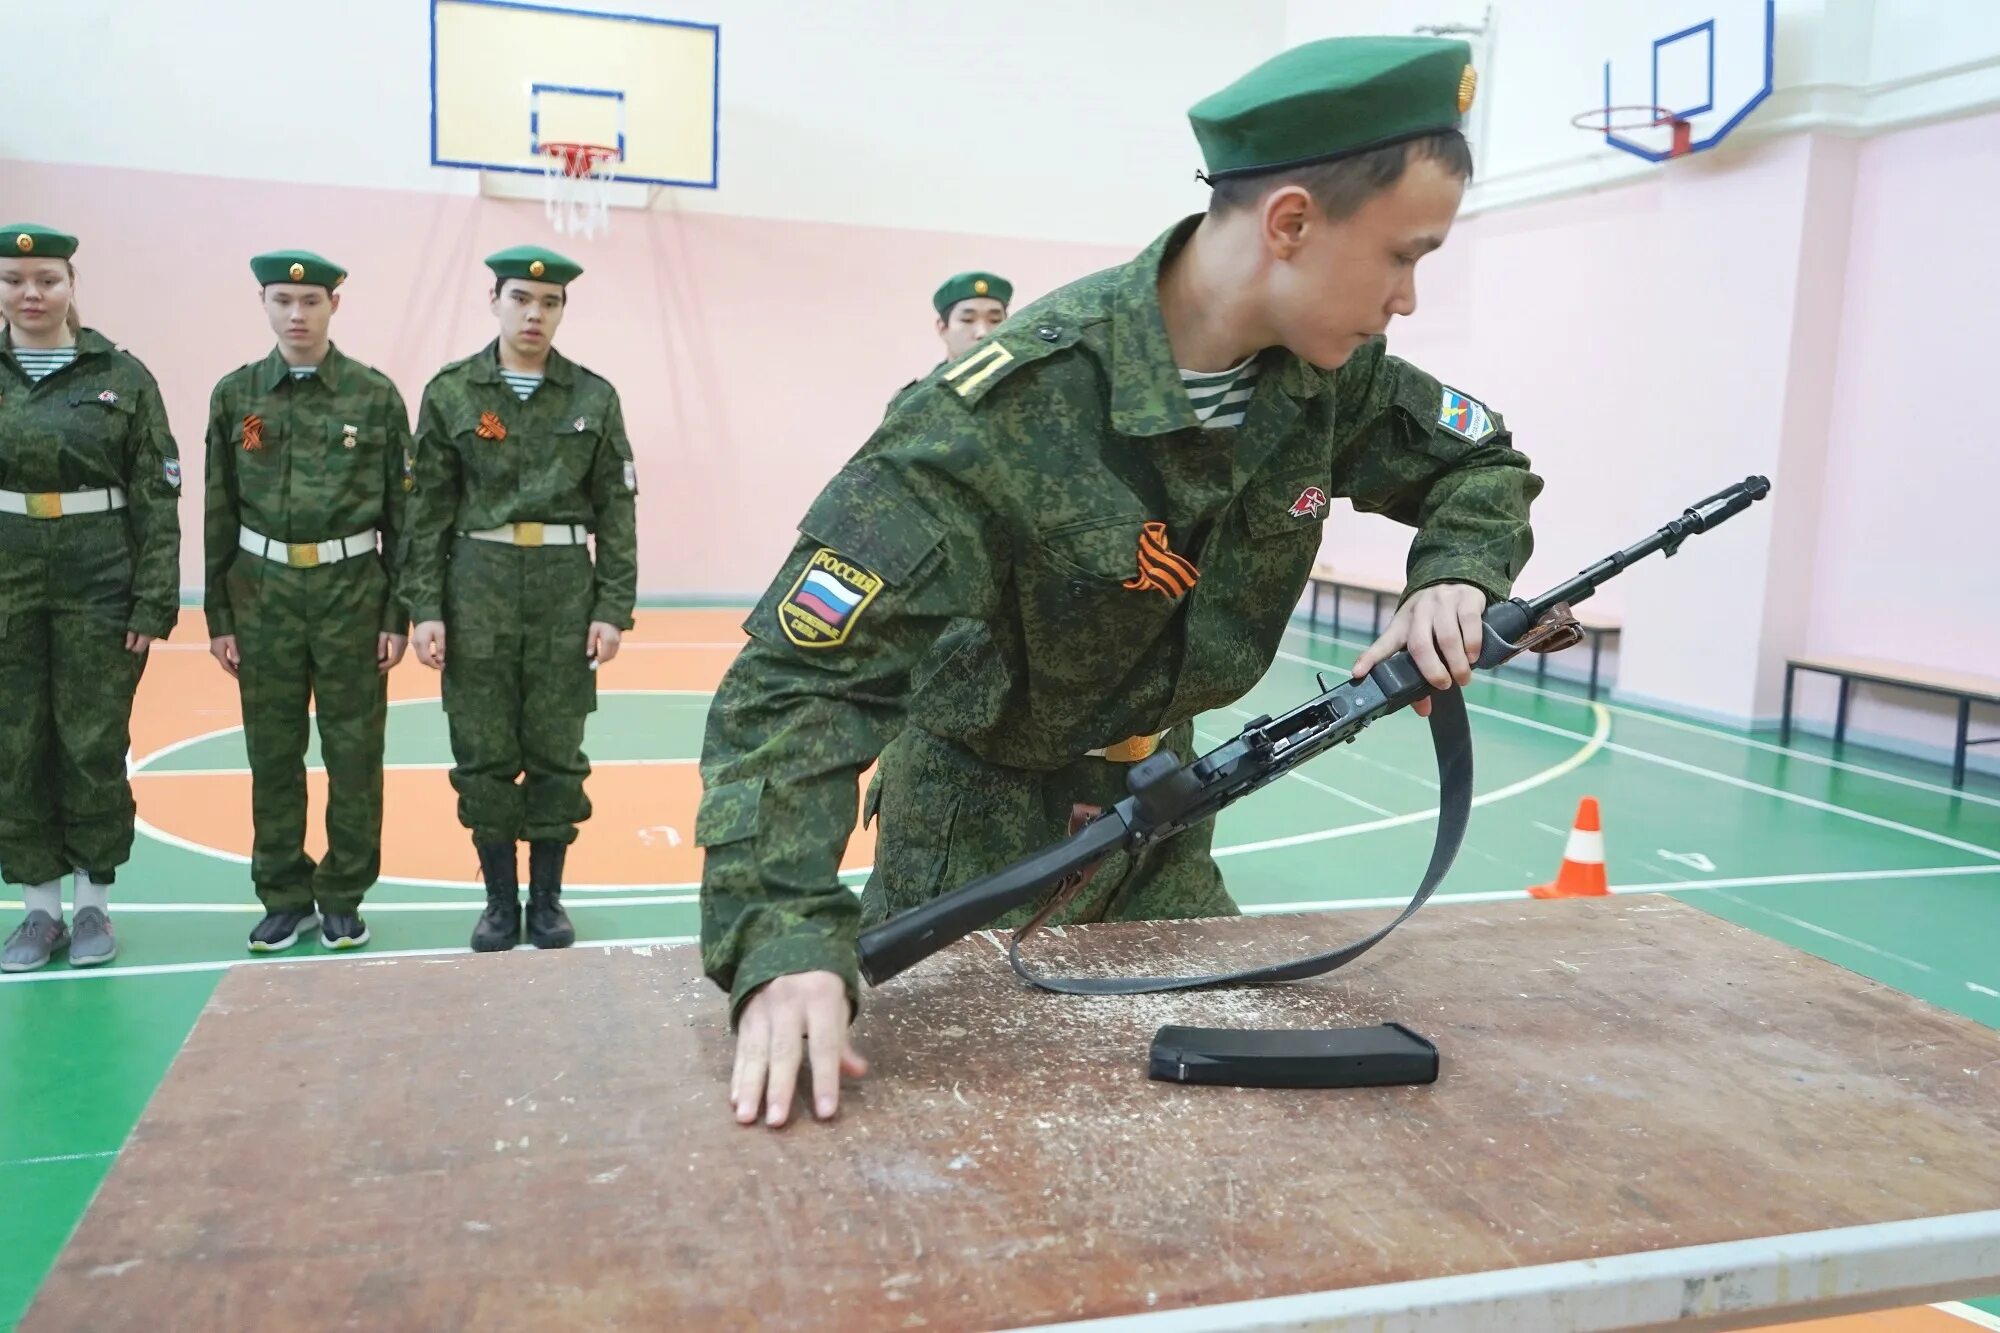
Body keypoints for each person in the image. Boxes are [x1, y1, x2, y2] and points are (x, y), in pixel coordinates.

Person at [696, 37, 1543, 1126]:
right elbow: (799, 686)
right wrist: (783, 939)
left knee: (1228, 1128)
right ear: (1289, 224)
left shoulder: (1327, 380)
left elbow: (1481, 462)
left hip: (1170, 819)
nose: (1408, 298)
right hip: (979, 842)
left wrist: (1453, 578)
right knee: (950, 1148)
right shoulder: (998, 410)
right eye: (1400, 256)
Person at [402, 246, 639, 954]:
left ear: (562, 309)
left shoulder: (594, 397)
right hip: (478, 581)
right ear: (494, 301)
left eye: (550, 302)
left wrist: (612, 606)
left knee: (557, 749)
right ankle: (499, 902)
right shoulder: (451, 394)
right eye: (521, 299)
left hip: (567, 585)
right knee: (482, 748)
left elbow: (618, 511)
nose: (534, 314)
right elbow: (427, 513)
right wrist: (425, 607)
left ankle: (548, 900)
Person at [203, 250, 413, 953]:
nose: (297, 315)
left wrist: (396, 613)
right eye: (283, 301)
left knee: (354, 752)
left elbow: (402, 516)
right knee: (273, 751)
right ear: (263, 303)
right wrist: (218, 615)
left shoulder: (374, 396)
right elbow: (218, 508)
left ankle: (344, 893)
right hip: (260, 595)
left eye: (312, 301)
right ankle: (284, 893)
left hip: (352, 593)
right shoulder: (236, 397)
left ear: (333, 306)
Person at [0, 225, 182, 972]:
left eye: (46, 278)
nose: (30, 294)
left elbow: (156, 493)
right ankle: (37, 911)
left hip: (99, 581)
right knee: (15, 745)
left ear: (72, 284)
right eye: (14, 281)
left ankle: (95, 901)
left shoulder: (122, 376)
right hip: (8, 580)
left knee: (91, 742)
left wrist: (153, 600)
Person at [889, 272, 1013, 413]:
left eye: (995, 320)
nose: (983, 332)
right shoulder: (915, 401)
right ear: (943, 327)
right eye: (967, 320)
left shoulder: (1031, 388)